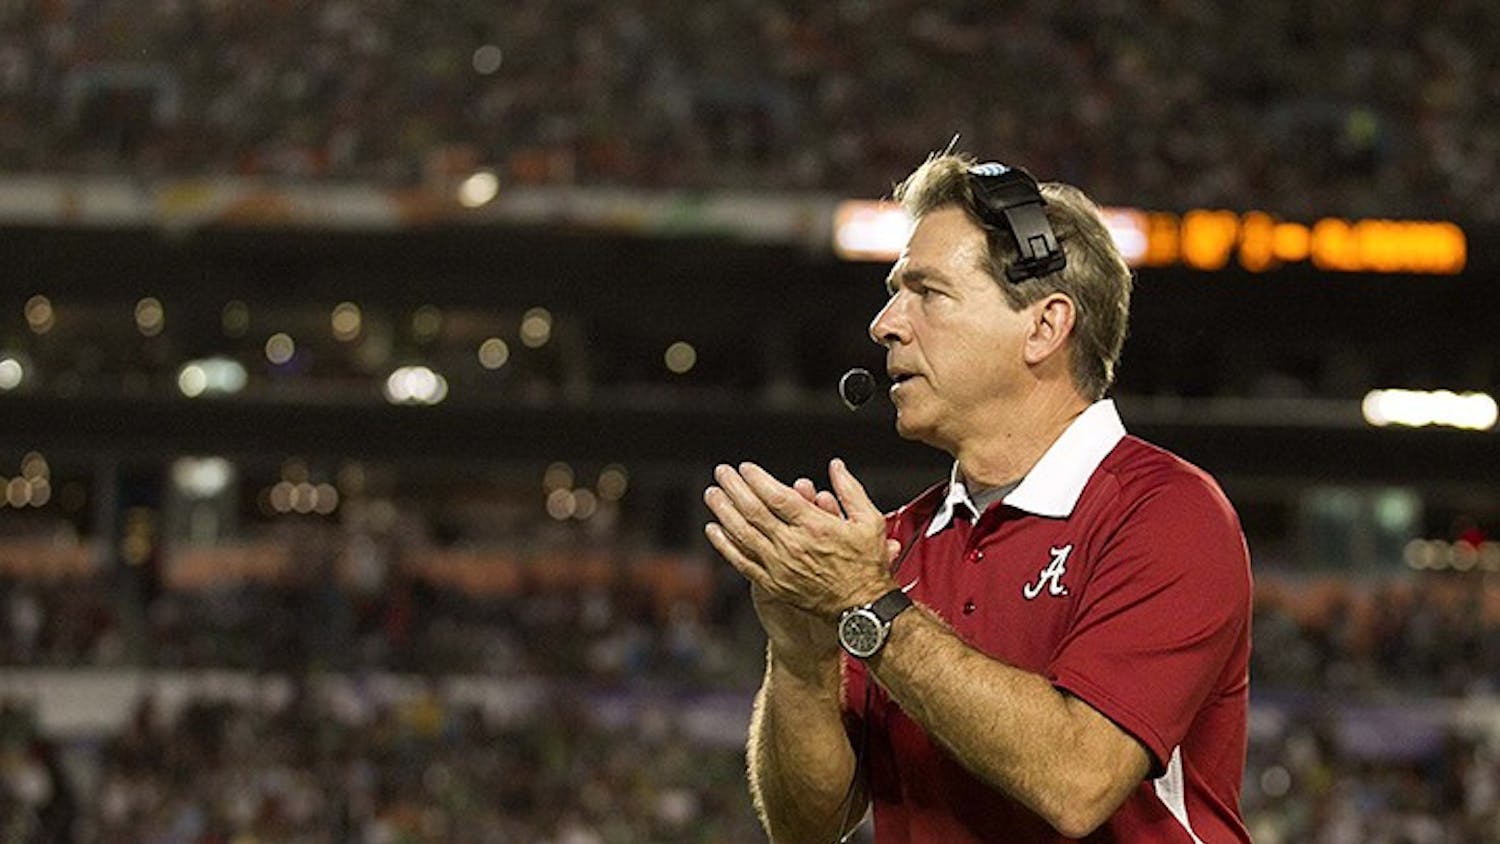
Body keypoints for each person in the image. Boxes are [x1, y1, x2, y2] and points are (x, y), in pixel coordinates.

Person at [702, 151, 1251, 842]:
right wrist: (799, 652)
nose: (885, 324)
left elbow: (1078, 780)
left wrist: (868, 604)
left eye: (927, 293)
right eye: (896, 292)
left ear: (1044, 327)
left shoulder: (1168, 513)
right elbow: (808, 827)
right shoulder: (894, 544)